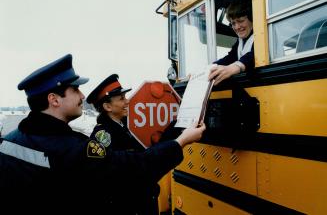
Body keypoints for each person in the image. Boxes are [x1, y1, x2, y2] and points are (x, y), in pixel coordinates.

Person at [0, 54, 205, 212]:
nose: (82, 96)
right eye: (75, 90)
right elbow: (131, 169)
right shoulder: (72, 149)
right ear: (54, 99)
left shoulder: (8, 142)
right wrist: (181, 142)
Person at [86, 74, 161, 214]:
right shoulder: (102, 134)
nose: (127, 101)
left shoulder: (130, 126)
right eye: (122, 99)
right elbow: (106, 176)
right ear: (107, 106)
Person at [209, 0, 254, 85]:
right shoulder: (240, 42)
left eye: (240, 21)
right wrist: (207, 69)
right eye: (233, 23)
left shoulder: (261, 35)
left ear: (251, 19)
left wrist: (237, 66)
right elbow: (229, 58)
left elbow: (255, 54)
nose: (237, 27)